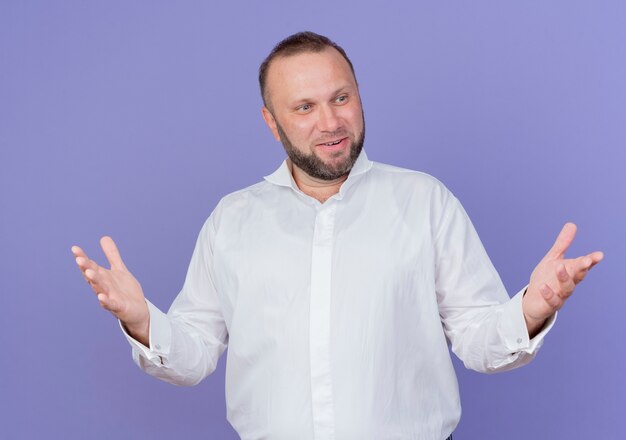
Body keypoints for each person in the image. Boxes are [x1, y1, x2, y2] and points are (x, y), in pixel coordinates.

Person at [71, 32, 603, 440]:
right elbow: (193, 356)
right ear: (271, 123)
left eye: (341, 97)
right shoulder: (231, 222)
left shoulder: (424, 203)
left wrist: (532, 307)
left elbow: (480, 339)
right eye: (304, 107)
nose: (331, 121)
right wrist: (143, 323)